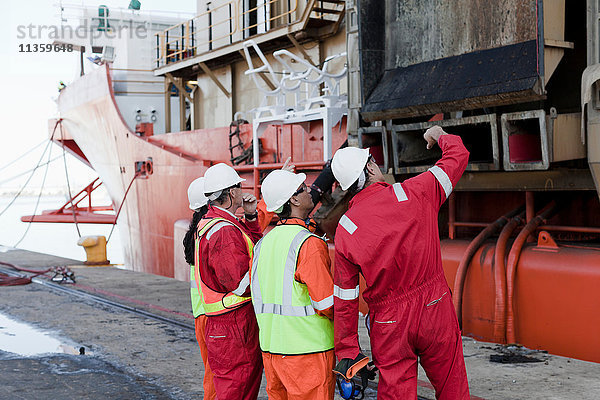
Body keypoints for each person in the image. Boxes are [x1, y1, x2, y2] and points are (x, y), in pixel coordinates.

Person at [330, 126, 471, 399]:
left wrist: (347, 350)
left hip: (389, 323)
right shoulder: (417, 191)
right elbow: (458, 156)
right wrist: (440, 134)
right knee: (453, 388)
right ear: (370, 170)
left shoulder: (346, 228)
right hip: (434, 307)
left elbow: (345, 298)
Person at [251, 169, 336, 399]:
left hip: (272, 352)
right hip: (307, 353)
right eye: (304, 188)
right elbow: (327, 304)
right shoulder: (308, 243)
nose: (310, 191)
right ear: (294, 199)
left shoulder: (263, 244)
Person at [195, 163, 263, 400]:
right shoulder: (224, 231)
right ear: (232, 192)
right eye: (238, 187)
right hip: (235, 327)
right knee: (239, 390)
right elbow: (240, 283)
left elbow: (252, 248)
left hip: (227, 325)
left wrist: (252, 216)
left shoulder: (216, 223)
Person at [183, 177, 216, 400]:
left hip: (201, 314)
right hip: (215, 315)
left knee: (212, 373)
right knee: (217, 377)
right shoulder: (213, 231)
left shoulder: (196, 233)